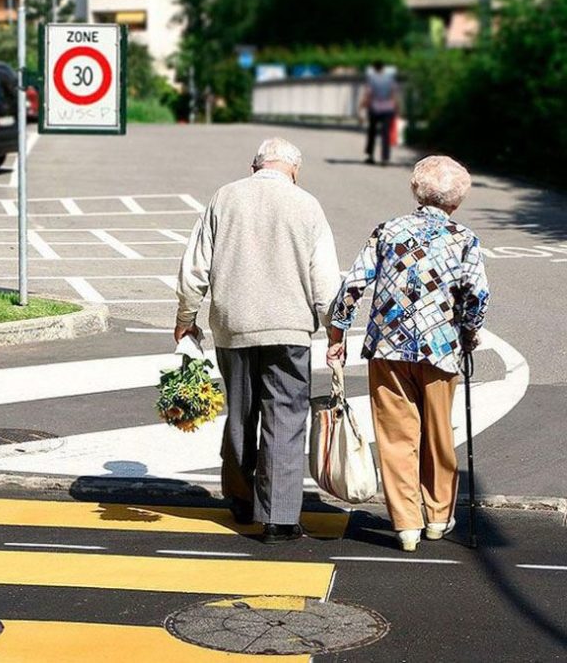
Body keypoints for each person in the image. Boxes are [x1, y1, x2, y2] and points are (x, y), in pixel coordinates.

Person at [175, 137, 341, 544]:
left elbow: (194, 267)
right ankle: (281, 518)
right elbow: (326, 281)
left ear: (255, 167)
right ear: (294, 171)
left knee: (240, 413)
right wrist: (335, 330)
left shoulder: (224, 198)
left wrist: (185, 318)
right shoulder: (308, 205)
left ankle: (241, 498)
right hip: (290, 330)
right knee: (286, 418)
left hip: (233, 327)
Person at [327, 155, 490, 552]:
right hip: (440, 349)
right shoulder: (464, 239)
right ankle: (438, 516)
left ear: (418, 190)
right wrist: (468, 333)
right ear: (457, 200)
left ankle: (406, 525)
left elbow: (353, 284)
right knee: (438, 434)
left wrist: (338, 331)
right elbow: (477, 295)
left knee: (396, 437)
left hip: (388, 346)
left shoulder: (387, 231)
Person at [362, 61, 398, 166]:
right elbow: (393, 94)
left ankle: (370, 156)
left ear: (374, 68)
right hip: (388, 109)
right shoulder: (390, 79)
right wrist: (397, 108)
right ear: (383, 68)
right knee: (385, 134)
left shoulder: (372, 79)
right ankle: (385, 158)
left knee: (372, 132)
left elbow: (368, 94)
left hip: (375, 109)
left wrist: (362, 107)